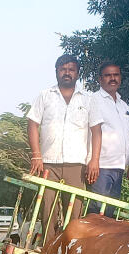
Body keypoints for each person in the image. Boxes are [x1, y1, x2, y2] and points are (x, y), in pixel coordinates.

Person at [27, 54, 102, 231]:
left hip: (77, 165)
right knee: (47, 211)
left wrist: (94, 160)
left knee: (74, 214)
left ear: (77, 73)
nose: (67, 73)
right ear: (56, 72)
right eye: (63, 69)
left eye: (71, 70)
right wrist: (36, 156)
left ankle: (70, 247)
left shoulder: (88, 99)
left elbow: (97, 131)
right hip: (48, 164)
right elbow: (32, 125)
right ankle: (48, 245)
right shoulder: (45, 96)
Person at [89, 62, 129, 216]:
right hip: (101, 167)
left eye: (116, 75)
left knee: (109, 213)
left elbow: (128, 135)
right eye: (108, 75)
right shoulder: (94, 100)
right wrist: (94, 161)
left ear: (120, 77)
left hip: (119, 168)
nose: (112, 78)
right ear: (100, 79)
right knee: (97, 213)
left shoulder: (124, 106)